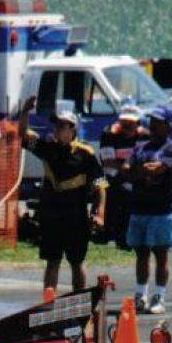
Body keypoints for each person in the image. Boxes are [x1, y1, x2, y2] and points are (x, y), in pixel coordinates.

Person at [18, 95, 106, 292]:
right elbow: (22, 135)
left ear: (72, 129)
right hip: (51, 215)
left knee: (76, 261)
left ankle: (80, 303)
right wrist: (25, 112)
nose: (57, 129)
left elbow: (101, 184)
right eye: (56, 125)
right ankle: (48, 303)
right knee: (52, 261)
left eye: (62, 126)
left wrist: (100, 213)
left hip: (76, 217)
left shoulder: (85, 154)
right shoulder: (47, 148)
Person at [125, 105, 172, 314]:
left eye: (158, 122)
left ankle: (159, 297)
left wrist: (140, 169)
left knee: (160, 253)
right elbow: (125, 171)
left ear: (168, 126)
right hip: (140, 208)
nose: (154, 126)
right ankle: (140, 294)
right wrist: (143, 170)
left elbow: (158, 168)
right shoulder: (140, 148)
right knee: (141, 253)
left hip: (161, 210)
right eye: (152, 122)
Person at [97, 104, 145, 248]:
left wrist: (133, 172)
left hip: (134, 176)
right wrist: (126, 169)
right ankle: (104, 231)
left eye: (131, 123)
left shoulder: (146, 136)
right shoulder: (108, 134)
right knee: (106, 185)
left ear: (138, 123)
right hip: (111, 176)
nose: (127, 126)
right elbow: (107, 162)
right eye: (125, 122)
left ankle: (128, 235)